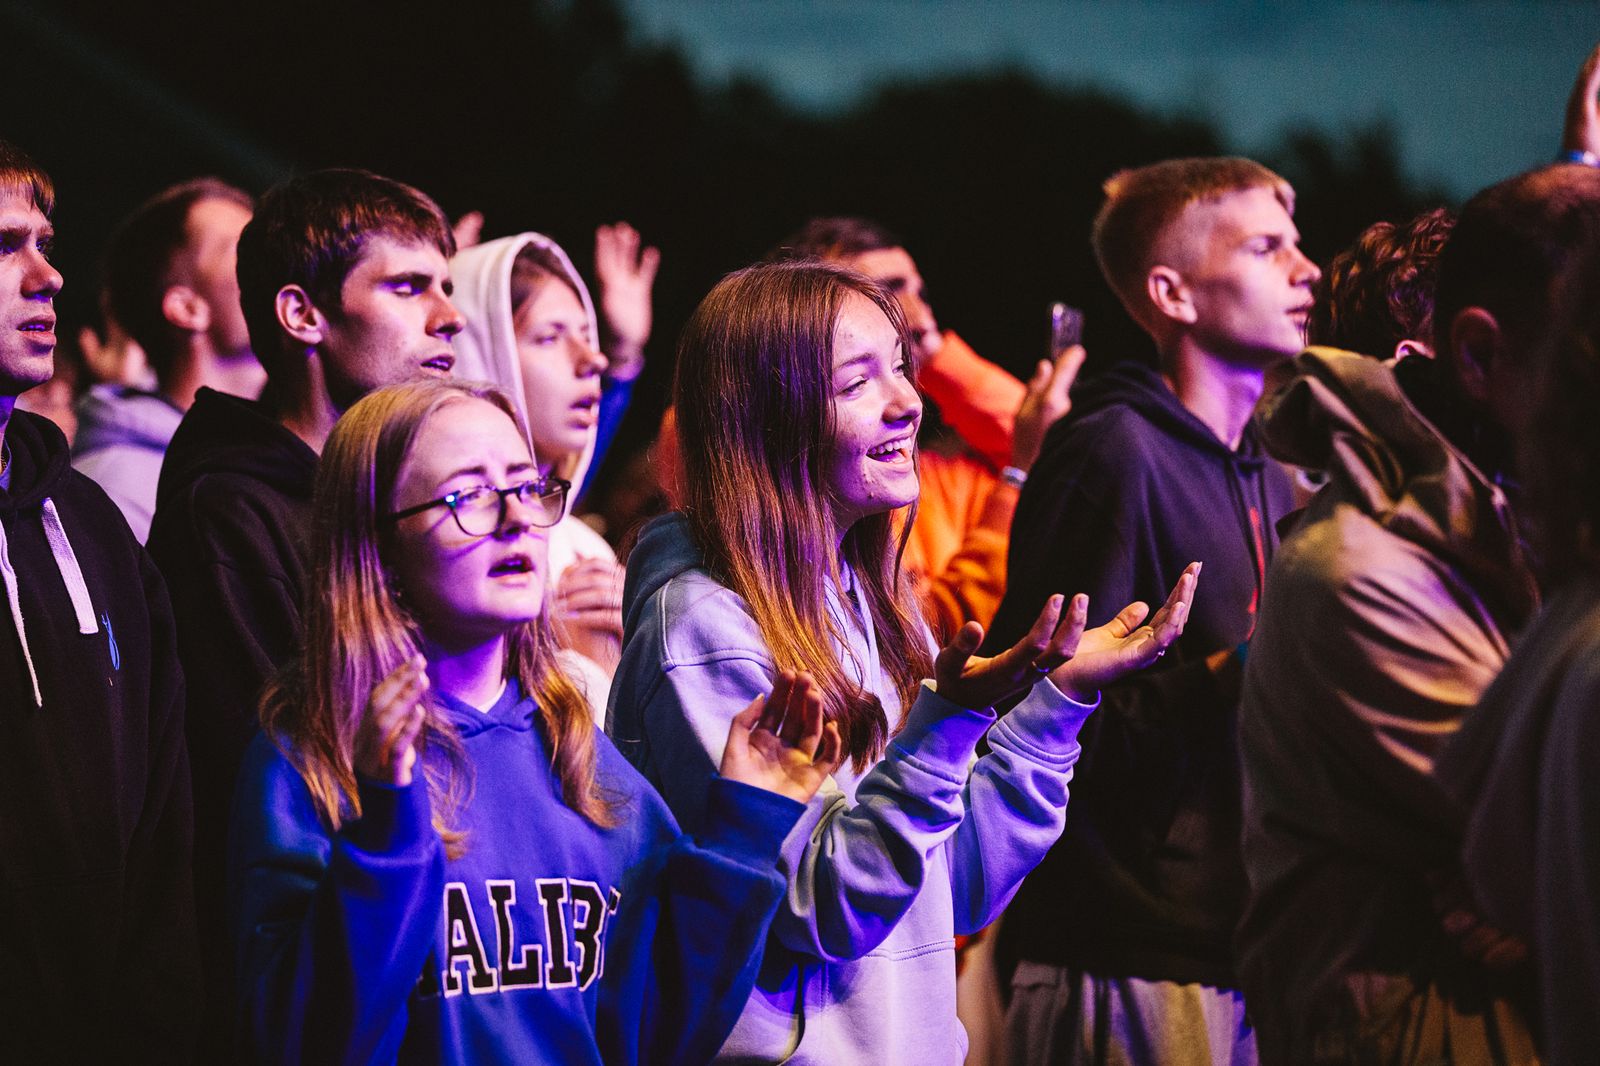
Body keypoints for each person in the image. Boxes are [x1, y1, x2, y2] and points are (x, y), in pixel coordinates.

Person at [609, 259, 1198, 1064]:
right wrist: (945, 724)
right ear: (765, 420)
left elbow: (949, 888)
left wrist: (1054, 708)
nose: (906, 403)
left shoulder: (866, 601)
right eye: (858, 384)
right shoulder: (705, 628)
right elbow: (827, 909)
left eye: (899, 368)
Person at [231, 378, 836, 1064]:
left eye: (526, 487)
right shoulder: (308, 757)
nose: (516, 518)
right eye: (468, 497)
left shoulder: (580, 754)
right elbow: (302, 1042)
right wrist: (384, 836)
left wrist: (743, 830)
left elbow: (661, 1031)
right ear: (379, 548)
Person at [1234, 163, 1600, 1061]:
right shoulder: (1356, 571)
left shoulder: (1521, 528)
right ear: (1472, 355)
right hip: (1435, 1028)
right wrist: (1545, 911)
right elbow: (1544, 842)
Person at [982, 157, 1318, 1066]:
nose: (1307, 268)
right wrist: (1247, 670)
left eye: (1296, 243)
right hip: (1132, 957)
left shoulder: (1278, 471)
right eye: (1264, 247)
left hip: (1251, 949)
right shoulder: (1112, 453)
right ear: (1171, 292)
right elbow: (1034, 709)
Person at [145, 166, 463, 1057]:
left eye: (446, 285)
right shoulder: (232, 510)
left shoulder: (372, 495)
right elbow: (294, 766)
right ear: (301, 315)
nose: (450, 315)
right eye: (408, 287)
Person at [0, 139, 200, 1061]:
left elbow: (164, 811)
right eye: (6, 246)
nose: (49, 273)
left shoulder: (88, 523)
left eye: (45, 240)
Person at [451, 232, 626, 721]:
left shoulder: (587, 551)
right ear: (480, 355)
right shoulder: (456, 545)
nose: (593, 360)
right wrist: (569, 664)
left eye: (588, 337)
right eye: (549, 337)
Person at [74, 178, 262, 541]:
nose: (276, 259)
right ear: (187, 308)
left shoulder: (265, 464)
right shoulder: (113, 491)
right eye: (246, 247)